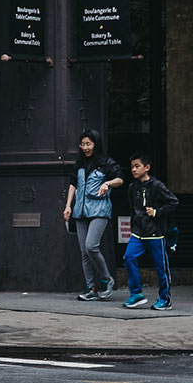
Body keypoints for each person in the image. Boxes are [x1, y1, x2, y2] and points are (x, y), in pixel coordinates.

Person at [63, 129, 122, 301]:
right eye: (83, 144)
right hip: (80, 211)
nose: (85, 147)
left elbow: (120, 179)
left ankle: (106, 279)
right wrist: (68, 206)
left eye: (88, 144)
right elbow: (73, 184)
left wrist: (107, 183)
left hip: (99, 211)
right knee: (84, 251)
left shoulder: (106, 162)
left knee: (91, 246)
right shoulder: (79, 164)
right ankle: (91, 288)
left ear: (96, 144)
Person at [123, 154, 179, 310]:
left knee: (161, 266)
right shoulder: (132, 187)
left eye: (137, 166)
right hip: (138, 232)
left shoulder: (157, 185)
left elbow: (173, 202)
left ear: (147, 167)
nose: (133, 169)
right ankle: (136, 294)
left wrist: (156, 212)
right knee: (129, 257)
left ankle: (165, 299)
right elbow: (132, 209)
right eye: (132, 166)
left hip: (156, 233)